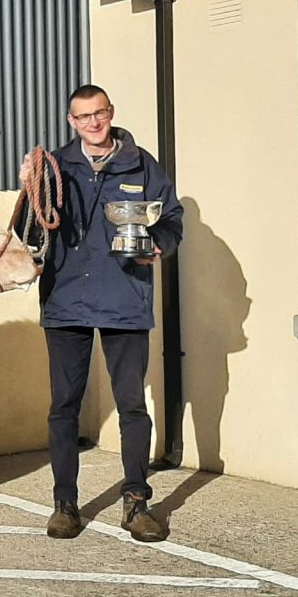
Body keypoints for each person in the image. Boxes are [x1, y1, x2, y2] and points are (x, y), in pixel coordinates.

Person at [19, 84, 183, 542]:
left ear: (111, 113)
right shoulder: (52, 166)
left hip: (125, 299)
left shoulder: (141, 163)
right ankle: (64, 504)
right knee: (64, 406)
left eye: (99, 113)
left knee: (132, 405)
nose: (93, 122)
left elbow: (172, 217)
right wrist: (26, 189)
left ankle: (137, 502)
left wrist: (158, 245)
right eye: (83, 116)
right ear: (71, 121)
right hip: (66, 298)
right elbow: (26, 231)